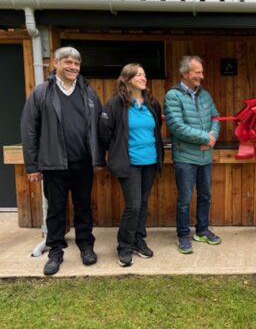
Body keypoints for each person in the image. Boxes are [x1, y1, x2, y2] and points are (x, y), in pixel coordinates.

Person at [20, 46, 104, 276]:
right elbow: (29, 130)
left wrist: (99, 157)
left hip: (83, 163)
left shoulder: (88, 92)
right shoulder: (41, 93)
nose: (73, 67)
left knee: (84, 206)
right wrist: (32, 165)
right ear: (55, 64)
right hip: (54, 164)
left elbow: (98, 126)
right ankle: (55, 250)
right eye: (68, 62)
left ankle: (86, 245)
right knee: (56, 210)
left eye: (76, 64)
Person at [99, 63, 163, 267]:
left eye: (144, 74)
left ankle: (138, 240)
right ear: (127, 79)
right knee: (133, 206)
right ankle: (124, 247)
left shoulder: (152, 103)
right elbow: (105, 132)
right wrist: (113, 152)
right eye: (138, 75)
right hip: (129, 163)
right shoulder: (116, 104)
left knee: (143, 204)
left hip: (150, 161)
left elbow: (156, 129)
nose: (143, 78)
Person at [164, 55, 221, 254]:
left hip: (206, 157)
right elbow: (177, 127)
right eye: (198, 72)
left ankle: (202, 231)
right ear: (185, 73)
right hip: (185, 158)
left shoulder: (205, 95)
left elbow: (215, 116)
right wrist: (206, 138)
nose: (201, 76)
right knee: (185, 199)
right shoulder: (173, 96)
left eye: (201, 72)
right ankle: (183, 235)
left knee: (205, 195)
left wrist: (213, 137)